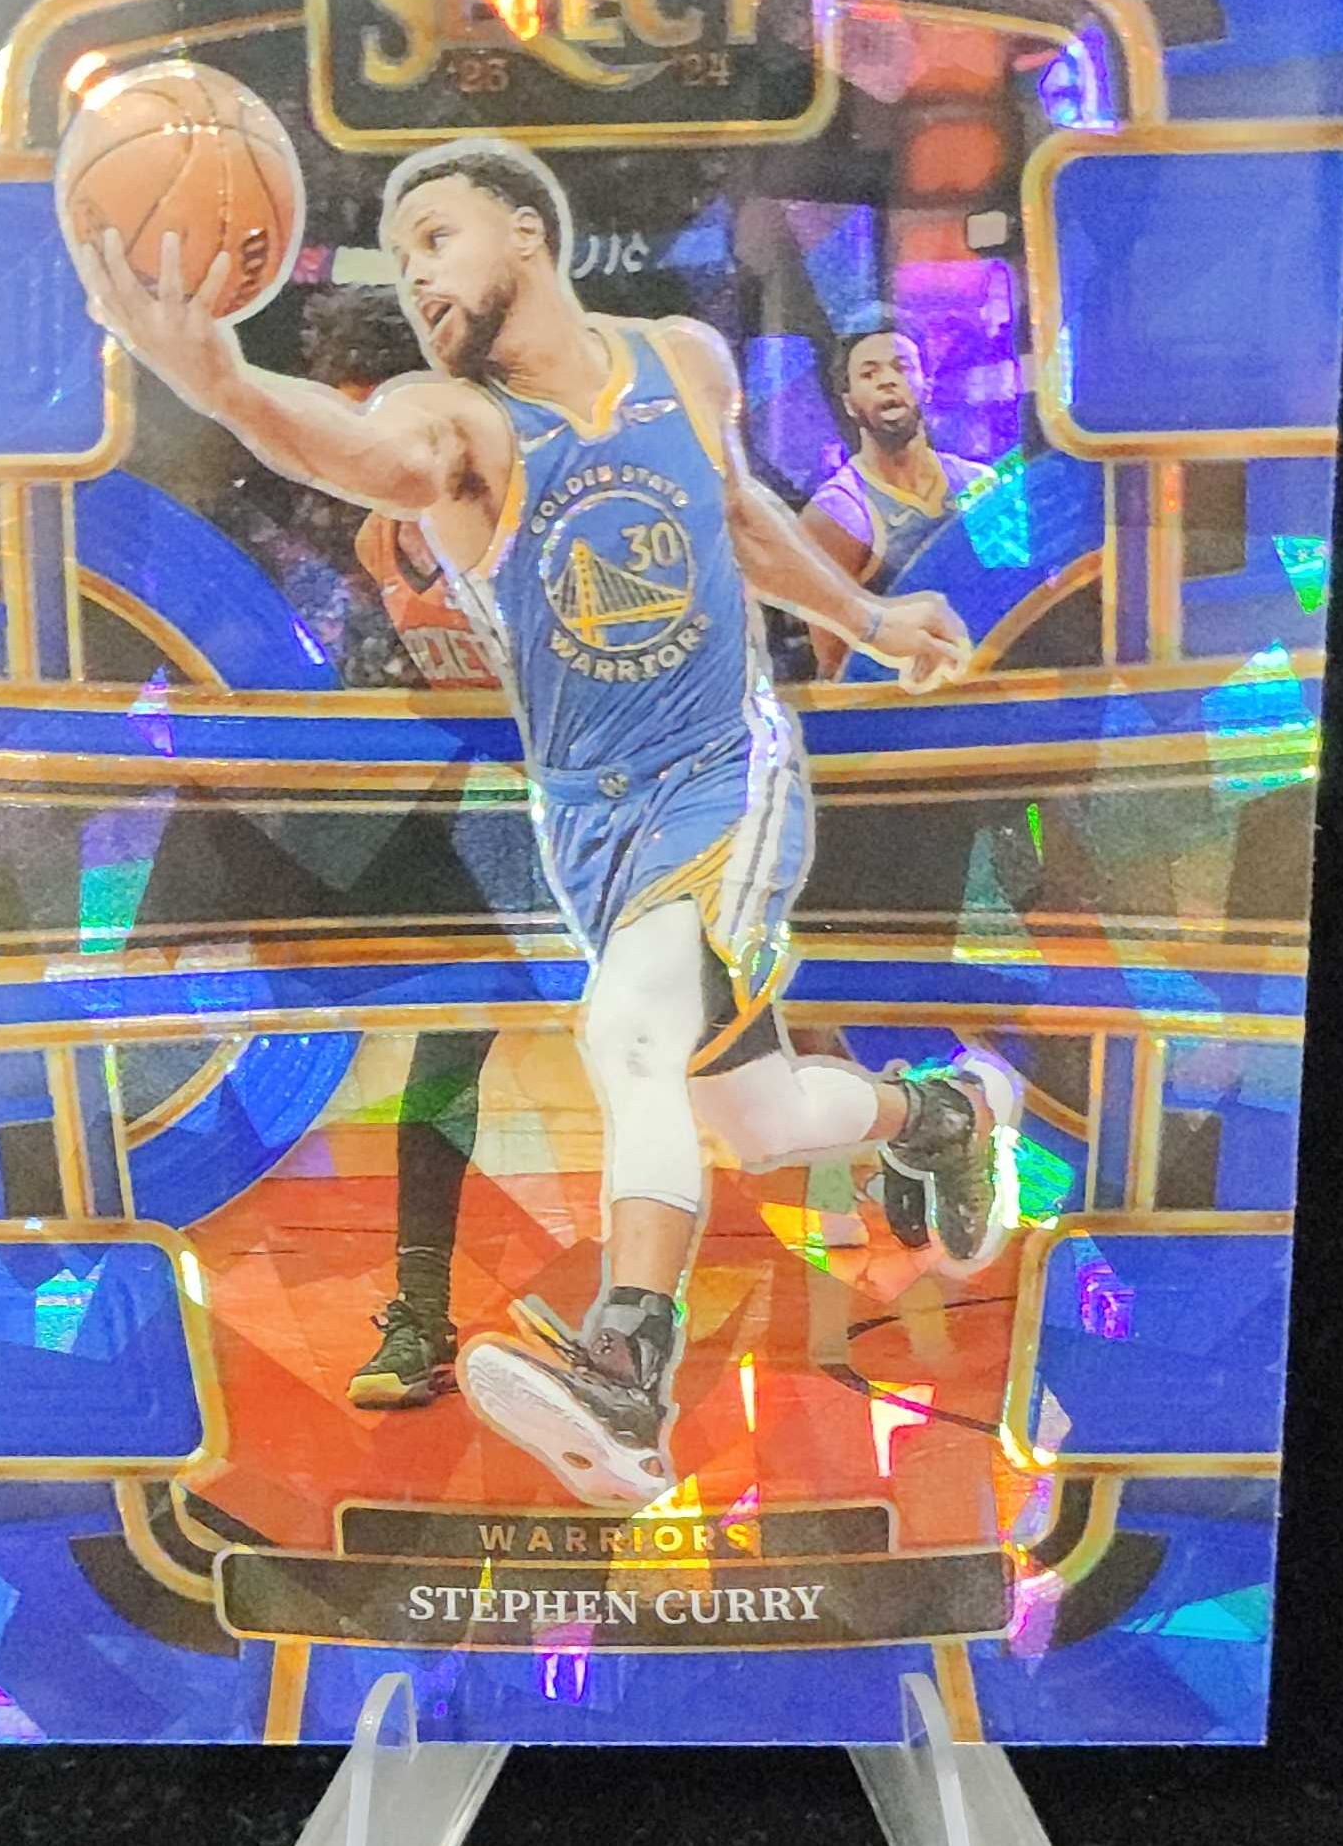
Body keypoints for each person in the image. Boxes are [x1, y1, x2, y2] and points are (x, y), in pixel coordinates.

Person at [74, 138, 1017, 1510]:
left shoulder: (683, 359)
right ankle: (939, 1113)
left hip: (722, 776)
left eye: (437, 238)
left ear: (526, 232)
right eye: (401, 259)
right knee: (759, 1117)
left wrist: (868, 619)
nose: (417, 277)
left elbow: (739, 517)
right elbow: (358, 445)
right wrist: (218, 383)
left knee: (626, 1032)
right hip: (585, 825)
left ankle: (625, 1365)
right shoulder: (456, 425)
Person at [298, 287, 498, 1409]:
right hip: (497, 823)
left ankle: (915, 1122)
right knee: (443, 1061)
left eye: (368, 418)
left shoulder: (515, 502)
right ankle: (421, 1315)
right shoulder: (379, 535)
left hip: (617, 812)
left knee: (703, 1072)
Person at [799, 309, 995, 676]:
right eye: (869, 373)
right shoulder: (837, 512)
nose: (887, 381)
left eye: (901, 368)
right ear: (848, 402)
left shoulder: (980, 485)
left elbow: (1017, 600)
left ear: (927, 385)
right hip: (897, 701)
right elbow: (834, 666)